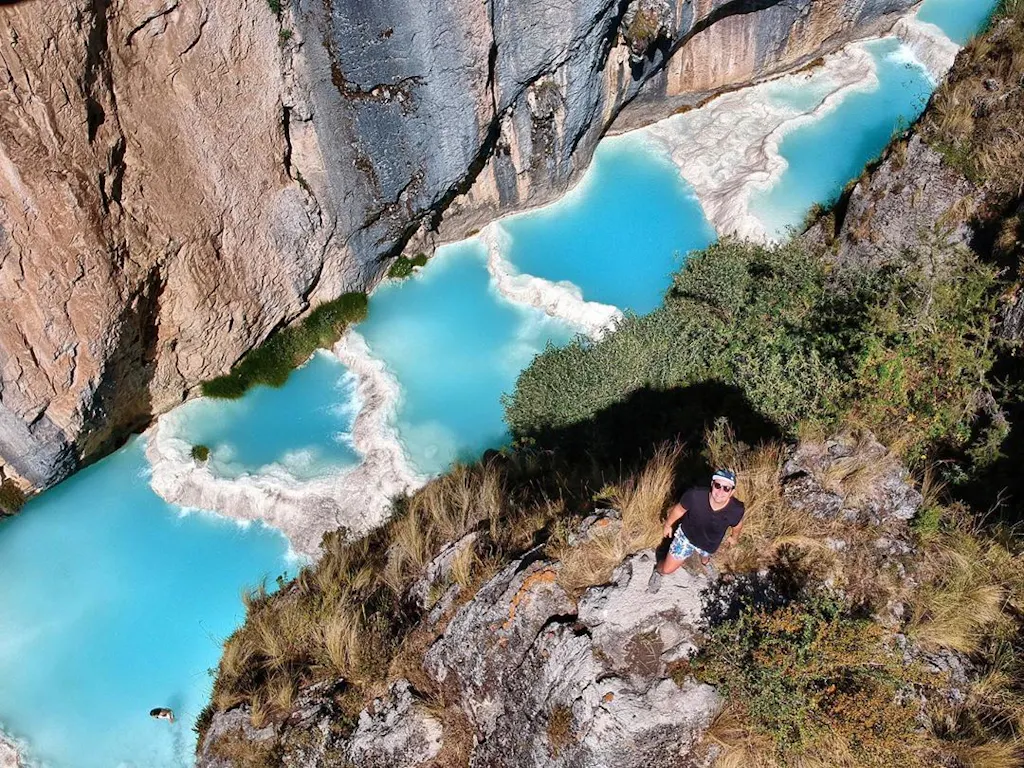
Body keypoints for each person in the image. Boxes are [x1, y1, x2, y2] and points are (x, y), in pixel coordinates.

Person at [647, 469, 744, 592]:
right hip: (686, 538)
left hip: (710, 543)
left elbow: (737, 524)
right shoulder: (695, 496)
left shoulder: (736, 509)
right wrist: (668, 525)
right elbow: (679, 510)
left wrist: (734, 538)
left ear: (732, 492)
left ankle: (705, 563)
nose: (720, 491)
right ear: (712, 484)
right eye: (717, 485)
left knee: (705, 556)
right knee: (668, 569)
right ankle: (658, 572)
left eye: (726, 488)